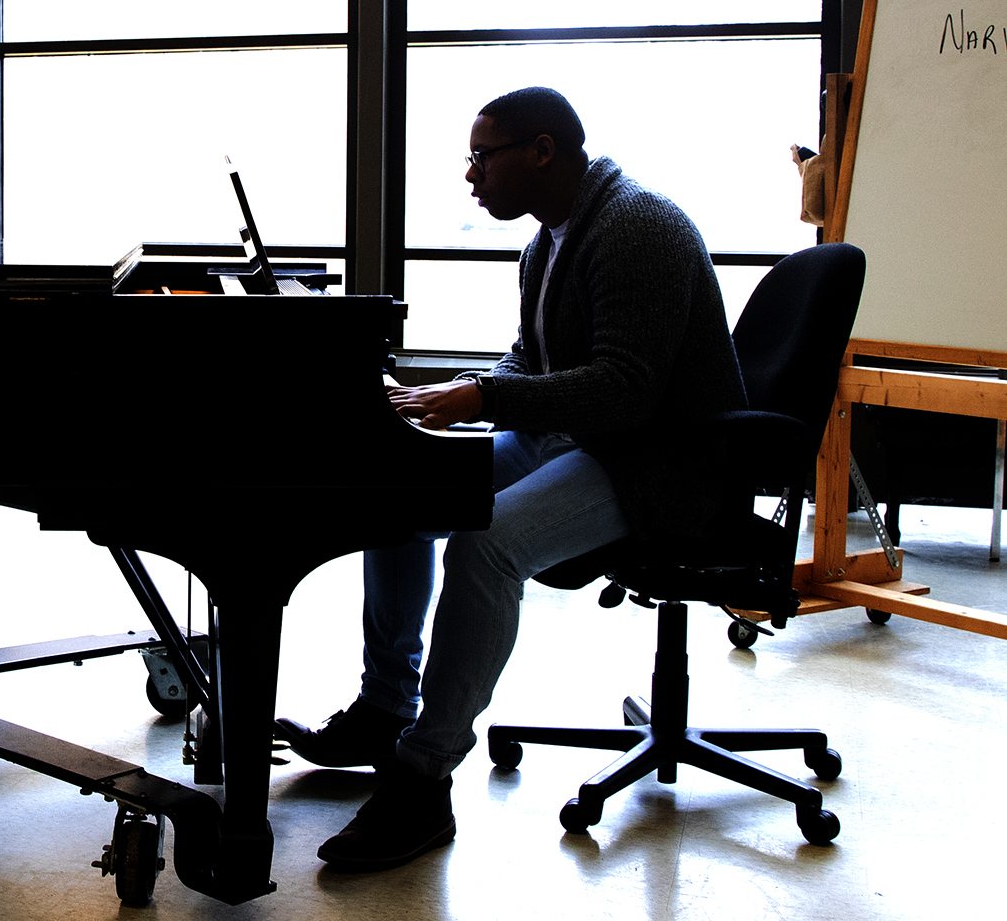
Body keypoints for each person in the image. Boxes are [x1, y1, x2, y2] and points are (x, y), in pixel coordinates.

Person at [276, 85, 746, 871]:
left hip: (657, 464)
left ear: (542, 150)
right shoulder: (549, 241)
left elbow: (627, 391)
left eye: (481, 157)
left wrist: (482, 396)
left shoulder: (637, 227)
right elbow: (533, 361)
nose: (470, 177)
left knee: (485, 546)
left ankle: (422, 779)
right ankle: (386, 705)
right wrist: (457, 395)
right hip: (578, 440)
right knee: (404, 491)